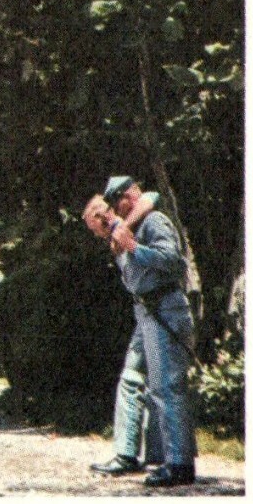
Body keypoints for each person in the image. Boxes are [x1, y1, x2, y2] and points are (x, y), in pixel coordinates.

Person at [84, 176, 198, 487]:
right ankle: (127, 454)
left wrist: (133, 247)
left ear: (128, 197)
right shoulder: (127, 228)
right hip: (145, 312)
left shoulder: (154, 221)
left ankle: (179, 464)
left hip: (164, 309)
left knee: (166, 386)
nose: (113, 210)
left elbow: (174, 263)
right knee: (131, 379)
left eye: (116, 202)